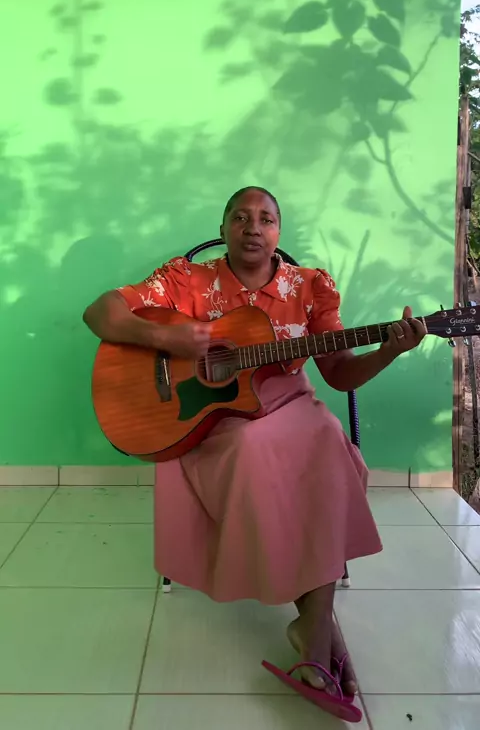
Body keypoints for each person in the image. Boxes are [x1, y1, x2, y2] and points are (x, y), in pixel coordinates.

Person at [83, 186, 426, 698]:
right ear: (223, 228)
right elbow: (99, 313)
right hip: (219, 420)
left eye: (266, 219)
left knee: (328, 443)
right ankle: (317, 628)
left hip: (291, 402)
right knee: (254, 449)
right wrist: (165, 337)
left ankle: (313, 628)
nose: (253, 228)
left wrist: (389, 352)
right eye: (240, 217)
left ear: (278, 232)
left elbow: (339, 375)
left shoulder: (308, 286)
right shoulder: (187, 280)